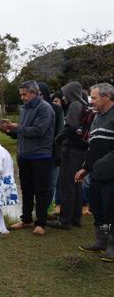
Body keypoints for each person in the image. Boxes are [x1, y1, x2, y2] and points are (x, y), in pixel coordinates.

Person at [0, 80, 55, 236]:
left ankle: (41, 223)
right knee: (26, 189)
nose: (22, 97)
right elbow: (22, 133)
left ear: (34, 92)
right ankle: (26, 219)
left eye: (24, 94)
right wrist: (9, 130)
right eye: (21, 94)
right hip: (24, 155)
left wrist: (17, 127)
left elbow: (38, 131)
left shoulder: (45, 108)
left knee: (41, 190)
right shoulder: (24, 109)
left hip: (41, 155)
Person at [75, 83, 114, 262]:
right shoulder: (96, 118)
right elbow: (92, 147)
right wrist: (85, 167)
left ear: (107, 97)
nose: (91, 101)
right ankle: (101, 241)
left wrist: (104, 164)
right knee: (97, 207)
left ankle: (112, 247)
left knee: (110, 209)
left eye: (94, 98)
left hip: (111, 174)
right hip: (96, 173)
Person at [49, 81, 87, 229]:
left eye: (65, 92)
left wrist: (57, 139)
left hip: (71, 150)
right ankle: (75, 218)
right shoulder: (83, 104)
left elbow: (71, 126)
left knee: (67, 185)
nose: (63, 96)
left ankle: (64, 220)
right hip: (80, 150)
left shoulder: (74, 105)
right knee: (76, 184)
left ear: (70, 92)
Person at [39, 82, 64, 216]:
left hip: (53, 152)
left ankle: (45, 211)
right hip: (37, 153)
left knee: (51, 184)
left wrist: (57, 151)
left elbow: (60, 131)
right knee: (38, 185)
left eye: (41, 94)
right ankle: (39, 212)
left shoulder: (56, 109)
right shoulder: (31, 109)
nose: (38, 97)